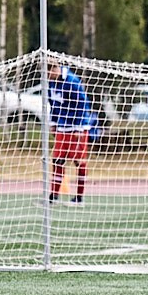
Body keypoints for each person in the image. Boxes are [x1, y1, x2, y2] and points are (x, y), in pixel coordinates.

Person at [47, 61, 96, 202]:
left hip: (77, 127)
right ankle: (53, 196)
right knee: (57, 160)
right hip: (62, 126)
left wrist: (79, 127)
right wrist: (53, 122)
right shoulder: (51, 83)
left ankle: (79, 197)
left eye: (48, 72)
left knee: (79, 161)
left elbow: (83, 104)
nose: (47, 76)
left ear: (55, 69)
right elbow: (53, 104)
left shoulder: (72, 81)